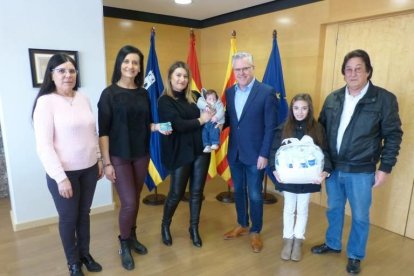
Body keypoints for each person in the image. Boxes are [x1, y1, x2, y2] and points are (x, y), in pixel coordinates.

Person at [311, 49, 403, 274]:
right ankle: (333, 243)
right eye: (348, 70)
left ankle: (355, 255)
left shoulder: (384, 99)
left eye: (358, 69)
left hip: (361, 170)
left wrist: (385, 167)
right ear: (343, 73)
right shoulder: (333, 98)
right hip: (333, 168)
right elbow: (321, 131)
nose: (353, 74)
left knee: (360, 215)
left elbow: (393, 135)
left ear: (368, 72)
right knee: (333, 209)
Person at [97, 45, 171, 271]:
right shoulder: (109, 94)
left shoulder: (142, 93)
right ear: (120, 63)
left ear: (139, 68)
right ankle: (124, 244)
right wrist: (107, 162)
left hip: (141, 154)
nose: (131, 66)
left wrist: (158, 127)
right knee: (128, 202)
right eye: (127, 61)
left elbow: (145, 124)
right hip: (119, 157)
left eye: (135, 62)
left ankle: (132, 236)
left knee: (135, 199)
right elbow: (104, 132)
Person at [32, 54, 103, 276]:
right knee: (69, 218)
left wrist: (99, 158)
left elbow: (93, 132)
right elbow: (44, 146)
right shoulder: (45, 102)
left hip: (90, 169)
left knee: (84, 214)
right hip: (65, 174)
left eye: (72, 70)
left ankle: (85, 254)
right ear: (51, 75)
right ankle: (73, 262)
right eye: (61, 71)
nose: (68, 75)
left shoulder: (84, 98)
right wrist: (60, 177)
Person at [222, 52, 278, 253]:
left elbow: (271, 127)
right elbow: (231, 120)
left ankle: (255, 230)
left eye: (246, 68)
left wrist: (264, 154)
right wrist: (215, 122)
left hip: (256, 155)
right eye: (238, 69)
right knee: (238, 190)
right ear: (234, 71)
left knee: (254, 194)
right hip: (235, 152)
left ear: (253, 68)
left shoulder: (267, 92)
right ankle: (242, 224)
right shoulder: (230, 92)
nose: (242, 72)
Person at [269, 93, 331, 261]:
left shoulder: (317, 128)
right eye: (296, 108)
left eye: (304, 108)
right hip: (288, 178)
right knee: (289, 208)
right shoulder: (284, 128)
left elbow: (325, 151)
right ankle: (287, 240)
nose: (300, 112)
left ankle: (298, 241)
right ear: (291, 109)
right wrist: (274, 170)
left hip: (308, 179)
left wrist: (325, 171)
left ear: (309, 109)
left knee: (302, 209)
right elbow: (274, 151)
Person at [158, 61, 212, 248]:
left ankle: (194, 228)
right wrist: (201, 119)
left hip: (201, 150)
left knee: (197, 193)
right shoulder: (164, 101)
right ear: (171, 78)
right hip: (179, 152)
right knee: (176, 193)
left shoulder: (195, 96)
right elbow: (177, 125)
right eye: (178, 75)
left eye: (185, 76)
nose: (182, 79)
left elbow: (210, 115)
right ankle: (165, 225)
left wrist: (215, 116)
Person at [196, 88, 225, 153]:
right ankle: (206, 145)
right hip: (205, 123)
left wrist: (216, 117)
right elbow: (199, 103)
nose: (212, 100)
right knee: (204, 133)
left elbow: (221, 111)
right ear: (205, 99)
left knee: (214, 131)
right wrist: (206, 106)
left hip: (214, 122)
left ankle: (215, 143)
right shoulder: (203, 102)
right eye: (209, 99)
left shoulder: (218, 103)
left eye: (214, 99)